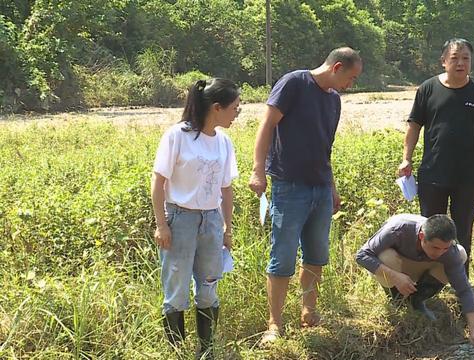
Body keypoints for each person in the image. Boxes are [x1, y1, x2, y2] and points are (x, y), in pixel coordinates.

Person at [248, 47, 363, 345]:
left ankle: (308, 313)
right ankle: (274, 324)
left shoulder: (333, 100)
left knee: (316, 254)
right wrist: (257, 170)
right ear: (336, 67)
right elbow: (266, 126)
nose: (351, 85)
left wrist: (332, 186)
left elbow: (326, 147)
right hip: (289, 185)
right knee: (283, 256)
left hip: (321, 187)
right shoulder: (294, 83)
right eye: (351, 78)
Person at [151, 78, 240, 359]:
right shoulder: (177, 135)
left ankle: (207, 350)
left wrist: (227, 228)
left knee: (209, 287)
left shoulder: (224, 142)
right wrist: (161, 225)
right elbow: (158, 182)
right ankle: (177, 351)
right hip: (180, 219)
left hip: (211, 220)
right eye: (235, 108)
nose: (237, 112)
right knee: (176, 290)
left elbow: (226, 188)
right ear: (216, 107)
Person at [398, 38, 474, 275]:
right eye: (455, 58)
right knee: (430, 230)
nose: (460, 63)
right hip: (433, 174)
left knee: (463, 230)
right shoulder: (428, 89)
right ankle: (429, 281)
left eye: (465, 58)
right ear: (444, 61)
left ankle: (459, 279)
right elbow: (414, 126)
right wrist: (407, 158)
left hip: (468, 176)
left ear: (471, 63)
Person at [355, 213, 474, 352]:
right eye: (435, 247)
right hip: (396, 265)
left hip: (421, 267)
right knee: (386, 256)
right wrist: (396, 277)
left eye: (445, 248)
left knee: (460, 254)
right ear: (422, 237)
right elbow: (362, 255)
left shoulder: (449, 250)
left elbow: (464, 290)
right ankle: (397, 300)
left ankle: (416, 300)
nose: (440, 253)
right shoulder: (397, 229)